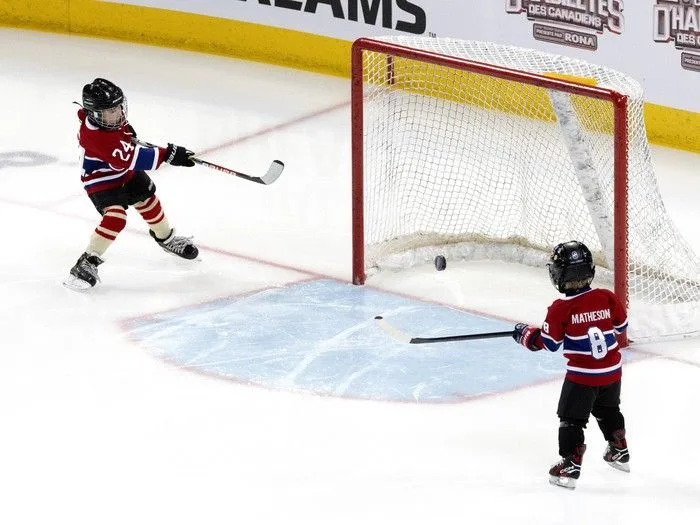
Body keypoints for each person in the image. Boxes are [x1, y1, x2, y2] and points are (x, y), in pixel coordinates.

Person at [512, 240, 630, 490]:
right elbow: (621, 327)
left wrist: (525, 335)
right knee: (607, 410)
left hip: (582, 377)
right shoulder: (606, 296)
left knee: (571, 420)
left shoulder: (560, 309)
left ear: (558, 274)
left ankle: (570, 464)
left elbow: (549, 343)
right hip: (612, 372)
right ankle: (619, 449)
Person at [65, 78, 199, 290]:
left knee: (148, 200)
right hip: (100, 178)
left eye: (119, 107)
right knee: (116, 218)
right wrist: (170, 155)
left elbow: (126, 144)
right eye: (111, 111)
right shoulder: (95, 136)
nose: (118, 113)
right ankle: (87, 261)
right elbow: (132, 158)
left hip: (123, 172)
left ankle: (166, 239)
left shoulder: (108, 121)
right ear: (95, 114)